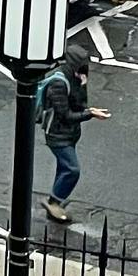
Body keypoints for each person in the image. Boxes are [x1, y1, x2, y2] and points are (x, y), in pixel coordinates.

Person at [39, 40, 109, 224]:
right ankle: (53, 203)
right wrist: (90, 114)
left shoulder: (74, 78)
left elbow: (80, 104)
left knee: (64, 168)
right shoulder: (58, 84)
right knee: (72, 169)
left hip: (70, 134)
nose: (84, 69)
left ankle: (55, 202)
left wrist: (82, 86)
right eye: (82, 66)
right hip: (57, 135)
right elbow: (66, 115)